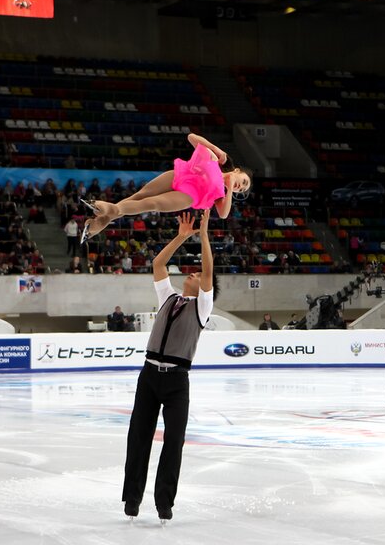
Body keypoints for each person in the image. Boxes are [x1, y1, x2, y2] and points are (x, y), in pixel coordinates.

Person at [122, 210, 217, 523]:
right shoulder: (168, 297)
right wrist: (181, 236)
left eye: (196, 275)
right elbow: (158, 265)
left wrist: (203, 232)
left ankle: (165, 502)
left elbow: (208, 267)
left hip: (177, 381)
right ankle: (132, 499)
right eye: (190, 273)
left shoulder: (202, 308)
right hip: (149, 375)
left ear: (204, 284)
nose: (190, 274)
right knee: (139, 437)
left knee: (173, 441)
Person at [81, 134, 251, 242]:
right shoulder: (216, 160)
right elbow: (191, 137)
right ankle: (100, 222)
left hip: (188, 196)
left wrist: (229, 189)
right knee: (140, 195)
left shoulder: (222, 194)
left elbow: (223, 214)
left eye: (241, 190)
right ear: (238, 171)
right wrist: (217, 149)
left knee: (151, 203)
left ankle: (109, 210)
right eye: (243, 181)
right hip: (179, 175)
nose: (240, 187)